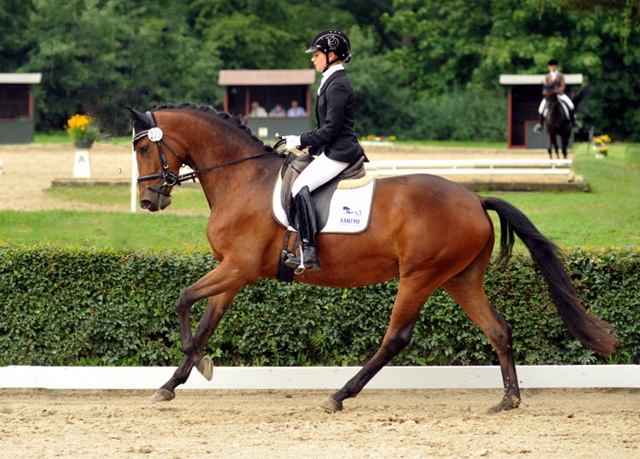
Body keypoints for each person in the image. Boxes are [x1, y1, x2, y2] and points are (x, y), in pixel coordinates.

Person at [282, 29, 365, 272]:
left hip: (341, 152)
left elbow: (330, 129)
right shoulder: (329, 80)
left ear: (332, 55)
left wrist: (299, 139)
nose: (313, 58)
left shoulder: (338, 84)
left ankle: (308, 251)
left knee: (299, 187)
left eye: (316, 54)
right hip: (331, 148)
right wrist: (308, 145)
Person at [534, 59, 581, 133]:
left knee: (571, 105)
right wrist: (546, 92)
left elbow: (563, 86)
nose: (551, 67)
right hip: (550, 97)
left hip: (559, 95)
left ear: (555, 66)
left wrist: (556, 91)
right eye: (550, 66)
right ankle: (540, 125)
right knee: (541, 108)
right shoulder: (547, 77)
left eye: (553, 66)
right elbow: (545, 87)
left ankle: (573, 122)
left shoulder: (560, 75)